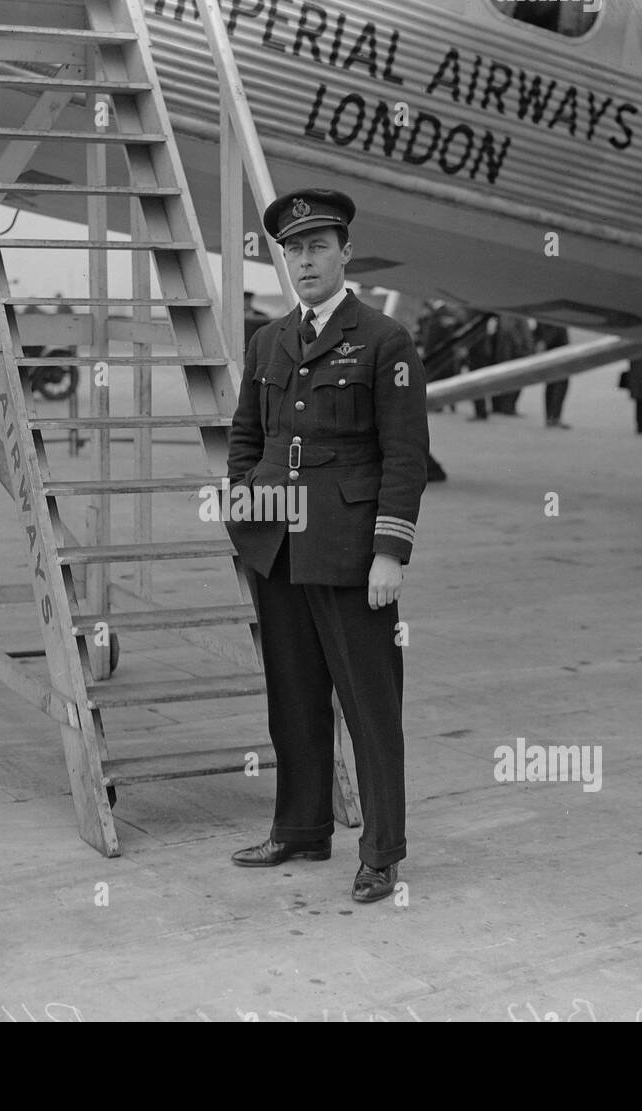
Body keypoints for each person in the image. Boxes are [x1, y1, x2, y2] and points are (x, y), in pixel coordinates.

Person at [226, 188, 429, 904]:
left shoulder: (384, 341)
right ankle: (302, 827)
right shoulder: (268, 340)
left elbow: (405, 456)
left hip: (349, 553)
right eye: (293, 249)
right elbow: (246, 438)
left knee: (370, 704)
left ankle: (381, 851)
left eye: (317, 246)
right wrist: (244, 519)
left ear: (346, 253)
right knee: (294, 699)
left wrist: (389, 552)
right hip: (277, 549)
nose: (304, 260)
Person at [535, 322, 570, 428]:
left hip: (554, 348)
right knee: (558, 386)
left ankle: (552, 416)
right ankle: (553, 417)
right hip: (557, 350)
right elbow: (552, 328)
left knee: (552, 385)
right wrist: (544, 342)